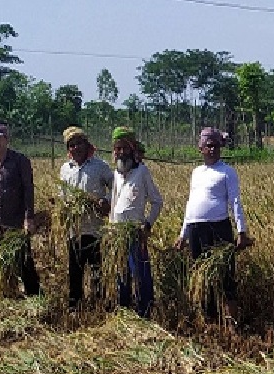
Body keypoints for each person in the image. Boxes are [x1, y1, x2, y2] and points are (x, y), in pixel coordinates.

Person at [175, 127, 253, 324]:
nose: (213, 150)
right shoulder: (196, 172)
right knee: (201, 274)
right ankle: (209, 322)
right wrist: (183, 234)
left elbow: (235, 202)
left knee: (226, 276)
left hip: (219, 227)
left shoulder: (227, 171)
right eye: (209, 146)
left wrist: (241, 231)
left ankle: (231, 324)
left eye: (216, 146)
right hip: (195, 228)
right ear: (200, 148)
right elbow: (190, 203)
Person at [0, 121, 40, 296]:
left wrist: (29, 218)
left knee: (24, 263)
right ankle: (8, 296)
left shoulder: (20, 161)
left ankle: (35, 296)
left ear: (6, 139)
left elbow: (28, 190)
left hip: (15, 224)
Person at [109, 126, 163, 317]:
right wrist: (111, 227)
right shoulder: (116, 173)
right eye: (118, 148)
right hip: (117, 233)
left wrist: (147, 224)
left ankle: (144, 313)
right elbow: (114, 201)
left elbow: (157, 201)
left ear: (132, 149)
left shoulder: (142, 172)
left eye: (125, 148)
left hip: (135, 233)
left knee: (140, 274)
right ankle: (124, 312)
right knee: (121, 274)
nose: (121, 152)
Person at [59, 126, 113, 309]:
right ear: (68, 148)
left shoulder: (100, 166)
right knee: (75, 270)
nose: (76, 148)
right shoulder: (66, 169)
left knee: (97, 268)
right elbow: (62, 194)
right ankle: (75, 305)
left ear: (86, 144)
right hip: (74, 229)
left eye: (79, 143)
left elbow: (117, 187)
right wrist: (63, 207)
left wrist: (105, 201)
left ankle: (100, 303)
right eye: (72, 145)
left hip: (95, 228)